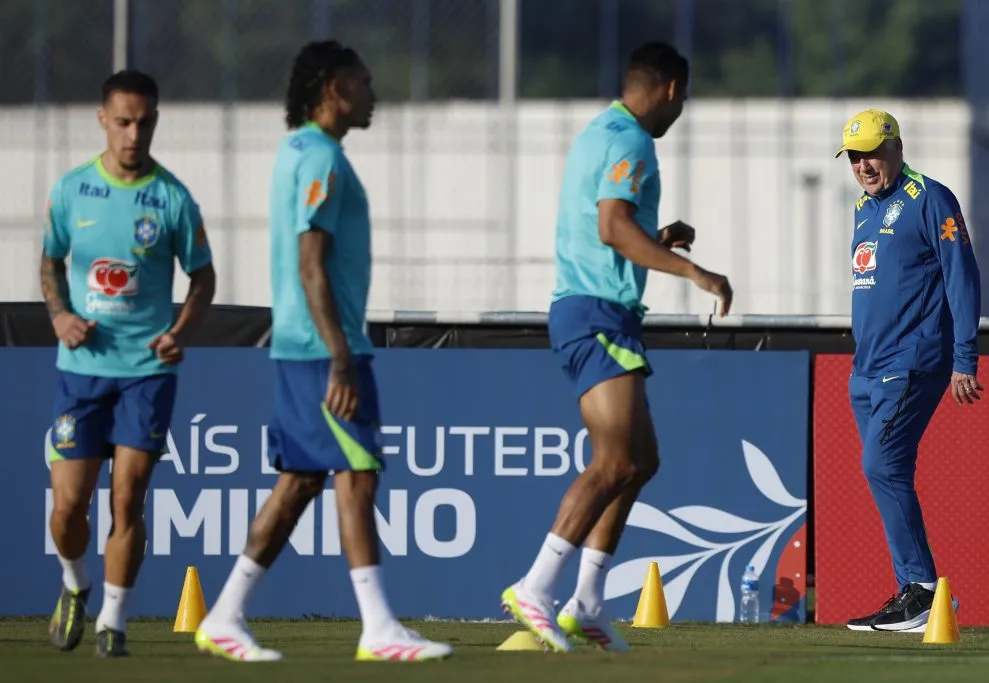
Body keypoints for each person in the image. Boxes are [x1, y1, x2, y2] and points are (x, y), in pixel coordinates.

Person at [194, 40, 453, 663]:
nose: (372, 94)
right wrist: (340, 356)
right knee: (357, 475)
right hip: (322, 350)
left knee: (300, 481)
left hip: (300, 345)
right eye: (364, 82)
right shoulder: (321, 161)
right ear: (334, 87)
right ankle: (378, 628)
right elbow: (311, 265)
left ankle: (225, 616)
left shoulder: (299, 152)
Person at [500, 42, 733, 653]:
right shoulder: (631, 140)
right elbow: (611, 225)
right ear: (672, 91)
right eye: (682, 103)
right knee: (612, 462)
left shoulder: (600, 130)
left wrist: (658, 238)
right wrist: (696, 273)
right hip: (595, 314)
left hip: (602, 312)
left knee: (640, 460)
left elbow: (607, 230)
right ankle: (536, 587)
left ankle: (588, 602)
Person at [42, 70, 216, 658]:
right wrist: (60, 313)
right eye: (122, 122)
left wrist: (179, 331)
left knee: (128, 498)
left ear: (155, 122)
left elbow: (203, 277)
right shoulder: (72, 190)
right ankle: (75, 582)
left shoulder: (171, 199)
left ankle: (113, 620)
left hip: (146, 370)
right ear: (103, 120)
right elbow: (49, 260)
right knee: (68, 506)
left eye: (144, 122)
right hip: (82, 367)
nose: (133, 133)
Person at [834, 109, 980, 632]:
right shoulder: (862, 207)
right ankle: (916, 593)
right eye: (854, 156)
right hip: (866, 369)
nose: (863, 165)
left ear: (896, 146)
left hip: (912, 361)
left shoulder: (930, 198)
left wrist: (965, 356)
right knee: (884, 473)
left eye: (871, 152)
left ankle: (920, 592)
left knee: (882, 466)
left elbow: (961, 275)